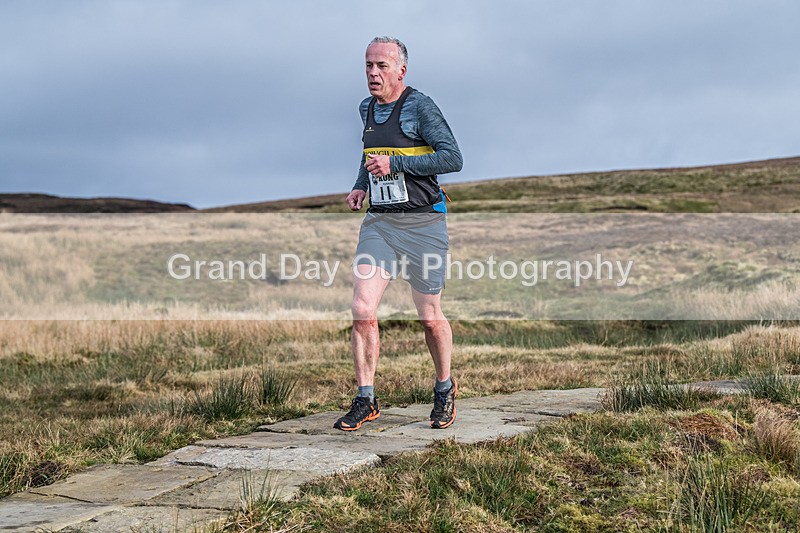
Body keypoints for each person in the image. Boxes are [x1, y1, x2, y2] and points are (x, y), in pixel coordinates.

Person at [335, 36, 463, 431]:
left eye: (382, 66)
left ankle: (444, 388)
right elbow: (369, 154)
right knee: (362, 309)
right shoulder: (366, 109)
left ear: (401, 70)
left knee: (428, 317)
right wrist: (361, 184)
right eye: (368, 66)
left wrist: (396, 166)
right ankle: (366, 399)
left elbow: (453, 158)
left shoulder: (420, 107)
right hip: (382, 223)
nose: (373, 73)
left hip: (424, 223)